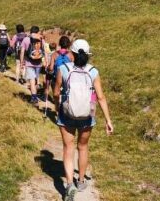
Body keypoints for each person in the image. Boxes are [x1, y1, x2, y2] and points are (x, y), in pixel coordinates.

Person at [53, 39, 113, 201]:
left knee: (68, 148)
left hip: (67, 114)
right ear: (87, 55)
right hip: (87, 115)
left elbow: (57, 92)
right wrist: (108, 120)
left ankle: (69, 184)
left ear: (72, 53)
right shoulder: (93, 71)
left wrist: (57, 107)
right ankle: (80, 181)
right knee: (83, 147)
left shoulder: (63, 69)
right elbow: (100, 97)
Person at [20, 26, 46, 103]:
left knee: (31, 80)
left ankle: (34, 97)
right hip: (38, 63)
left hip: (29, 63)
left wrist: (22, 62)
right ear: (37, 32)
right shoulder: (41, 39)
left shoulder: (26, 39)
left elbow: (22, 52)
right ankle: (35, 94)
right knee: (35, 80)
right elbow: (44, 51)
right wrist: (46, 61)